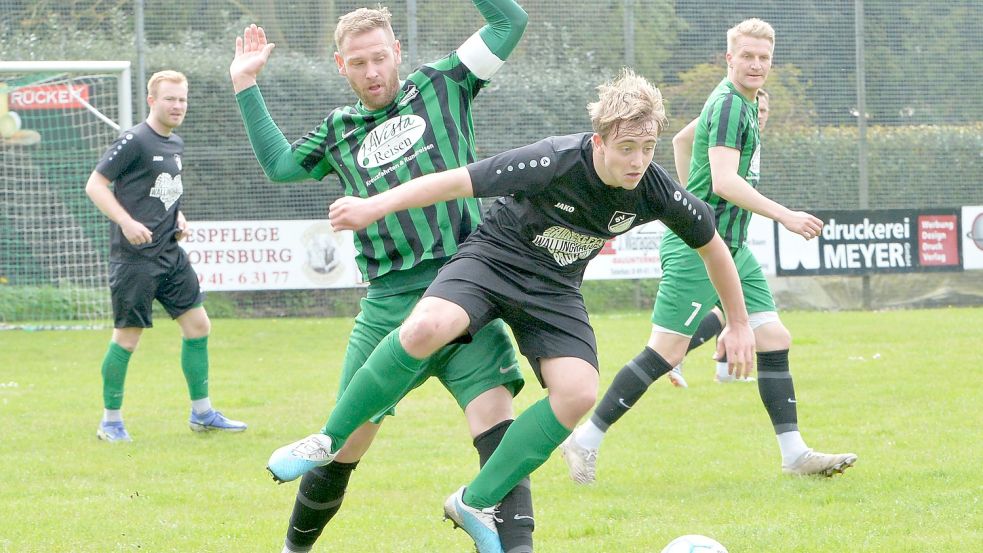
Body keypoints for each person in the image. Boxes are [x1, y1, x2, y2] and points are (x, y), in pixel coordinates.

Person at [268, 68, 756, 553]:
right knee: (425, 327)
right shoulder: (554, 160)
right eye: (627, 148)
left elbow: (713, 246)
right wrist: (373, 207)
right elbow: (454, 182)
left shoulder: (653, 188)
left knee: (578, 393)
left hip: (554, 289)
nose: (638, 161)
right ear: (600, 141)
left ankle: (473, 502)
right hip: (492, 260)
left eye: (647, 148)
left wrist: (737, 323)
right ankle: (327, 440)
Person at [229, 3, 535, 552]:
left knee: (499, 428)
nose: (372, 72)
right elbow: (280, 167)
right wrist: (246, 84)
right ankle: (294, 549)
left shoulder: (445, 84)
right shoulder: (339, 130)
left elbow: (509, 23)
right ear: (340, 66)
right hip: (388, 304)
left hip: (466, 287)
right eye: (358, 63)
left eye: (379, 58)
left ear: (397, 53)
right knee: (341, 444)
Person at [562, 19, 857, 484]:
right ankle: (585, 439)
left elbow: (681, 140)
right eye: (747, 56)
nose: (756, 64)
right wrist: (783, 215)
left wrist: (687, 203)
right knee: (665, 352)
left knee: (774, 337)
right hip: (698, 248)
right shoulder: (727, 105)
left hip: (732, 245)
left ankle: (794, 454)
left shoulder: (743, 103)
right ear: (729, 58)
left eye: (764, 57)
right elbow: (724, 181)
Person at [85, 70, 247, 443]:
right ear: (152, 101)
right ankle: (110, 422)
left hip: (170, 254)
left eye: (183, 99)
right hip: (135, 260)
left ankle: (203, 414)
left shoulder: (175, 143)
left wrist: (178, 215)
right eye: (171, 98)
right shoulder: (134, 141)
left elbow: (161, 190)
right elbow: (95, 184)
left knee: (198, 326)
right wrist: (126, 222)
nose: (178, 106)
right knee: (127, 338)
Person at [666, 87, 770, 388]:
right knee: (722, 310)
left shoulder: (749, 131)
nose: (760, 116)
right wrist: (693, 200)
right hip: (713, 237)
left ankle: (725, 372)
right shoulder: (727, 118)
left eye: (764, 112)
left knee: (732, 311)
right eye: (757, 110)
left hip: (733, 237)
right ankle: (676, 356)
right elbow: (680, 141)